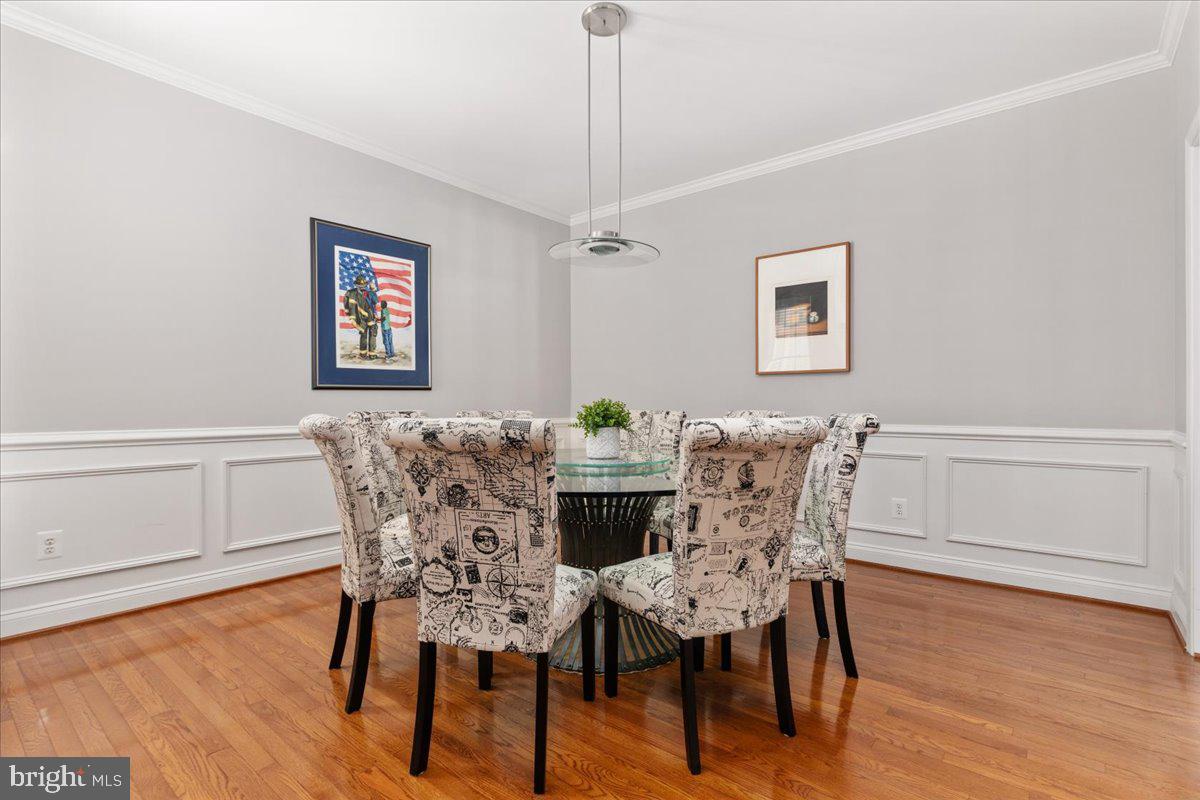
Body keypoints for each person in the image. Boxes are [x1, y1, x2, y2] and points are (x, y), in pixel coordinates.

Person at [343, 275, 378, 359]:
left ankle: (372, 354)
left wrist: (373, 290)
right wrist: (351, 316)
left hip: (371, 316)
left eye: (363, 285)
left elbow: (375, 301)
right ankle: (363, 353)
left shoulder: (369, 292)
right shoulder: (351, 293)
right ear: (356, 285)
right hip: (360, 317)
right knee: (363, 334)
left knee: (373, 334)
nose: (362, 287)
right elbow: (347, 305)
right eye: (360, 285)